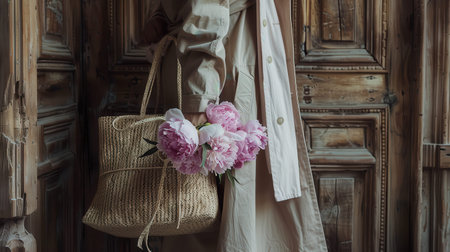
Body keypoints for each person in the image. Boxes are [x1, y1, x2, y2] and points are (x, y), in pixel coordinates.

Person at [141, 0, 327, 251]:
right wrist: (198, 96)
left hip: (216, 57)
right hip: (220, 63)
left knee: (214, 211)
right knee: (209, 210)